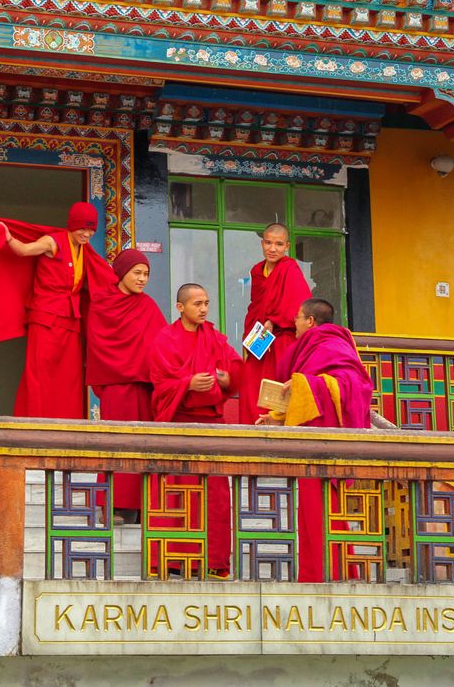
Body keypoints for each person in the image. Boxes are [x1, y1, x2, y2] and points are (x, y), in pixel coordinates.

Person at [0, 202, 114, 420]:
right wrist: (8, 237)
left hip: (70, 319)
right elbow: (24, 250)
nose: (86, 234)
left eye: (91, 230)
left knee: (69, 377)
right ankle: (36, 421)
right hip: (45, 318)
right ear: (71, 226)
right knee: (40, 374)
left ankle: (66, 422)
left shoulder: (83, 250)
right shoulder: (53, 241)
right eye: (82, 229)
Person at [259, 298, 373, 581]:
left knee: (322, 512)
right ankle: (323, 571)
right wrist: (278, 416)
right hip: (312, 445)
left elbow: (352, 385)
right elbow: (312, 398)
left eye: (297, 318)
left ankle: (327, 573)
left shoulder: (331, 344)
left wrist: (303, 383)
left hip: (327, 449)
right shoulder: (316, 347)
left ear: (310, 321)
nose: (294, 324)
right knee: (311, 515)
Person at [148, 283, 243, 577]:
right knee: (174, 492)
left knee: (214, 496)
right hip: (177, 424)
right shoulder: (165, 339)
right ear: (180, 308)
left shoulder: (214, 338)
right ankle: (171, 560)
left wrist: (227, 380)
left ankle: (214, 561)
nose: (203, 309)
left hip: (211, 426)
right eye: (197, 303)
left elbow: (236, 370)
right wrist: (186, 384)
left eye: (206, 303)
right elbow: (159, 383)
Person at [86, 248, 168, 523]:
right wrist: (125, 366)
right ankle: (113, 505)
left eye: (146, 274)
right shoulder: (102, 303)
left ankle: (145, 504)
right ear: (121, 273)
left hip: (145, 387)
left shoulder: (147, 305)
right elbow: (98, 344)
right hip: (117, 385)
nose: (143, 279)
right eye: (137, 273)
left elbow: (163, 344)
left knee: (145, 444)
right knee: (118, 443)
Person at [236, 223, 311, 424]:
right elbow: (257, 305)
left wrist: (274, 319)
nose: (272, 249)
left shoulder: (290, 269)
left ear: (287, 246)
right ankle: (251, 430)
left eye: (278, 244)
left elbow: (300, 307)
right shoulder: (257, 271)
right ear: (262, 243)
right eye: (268, 243)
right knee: (251, 387)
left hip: (282, 340)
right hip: (260, 339)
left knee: (278, 388)